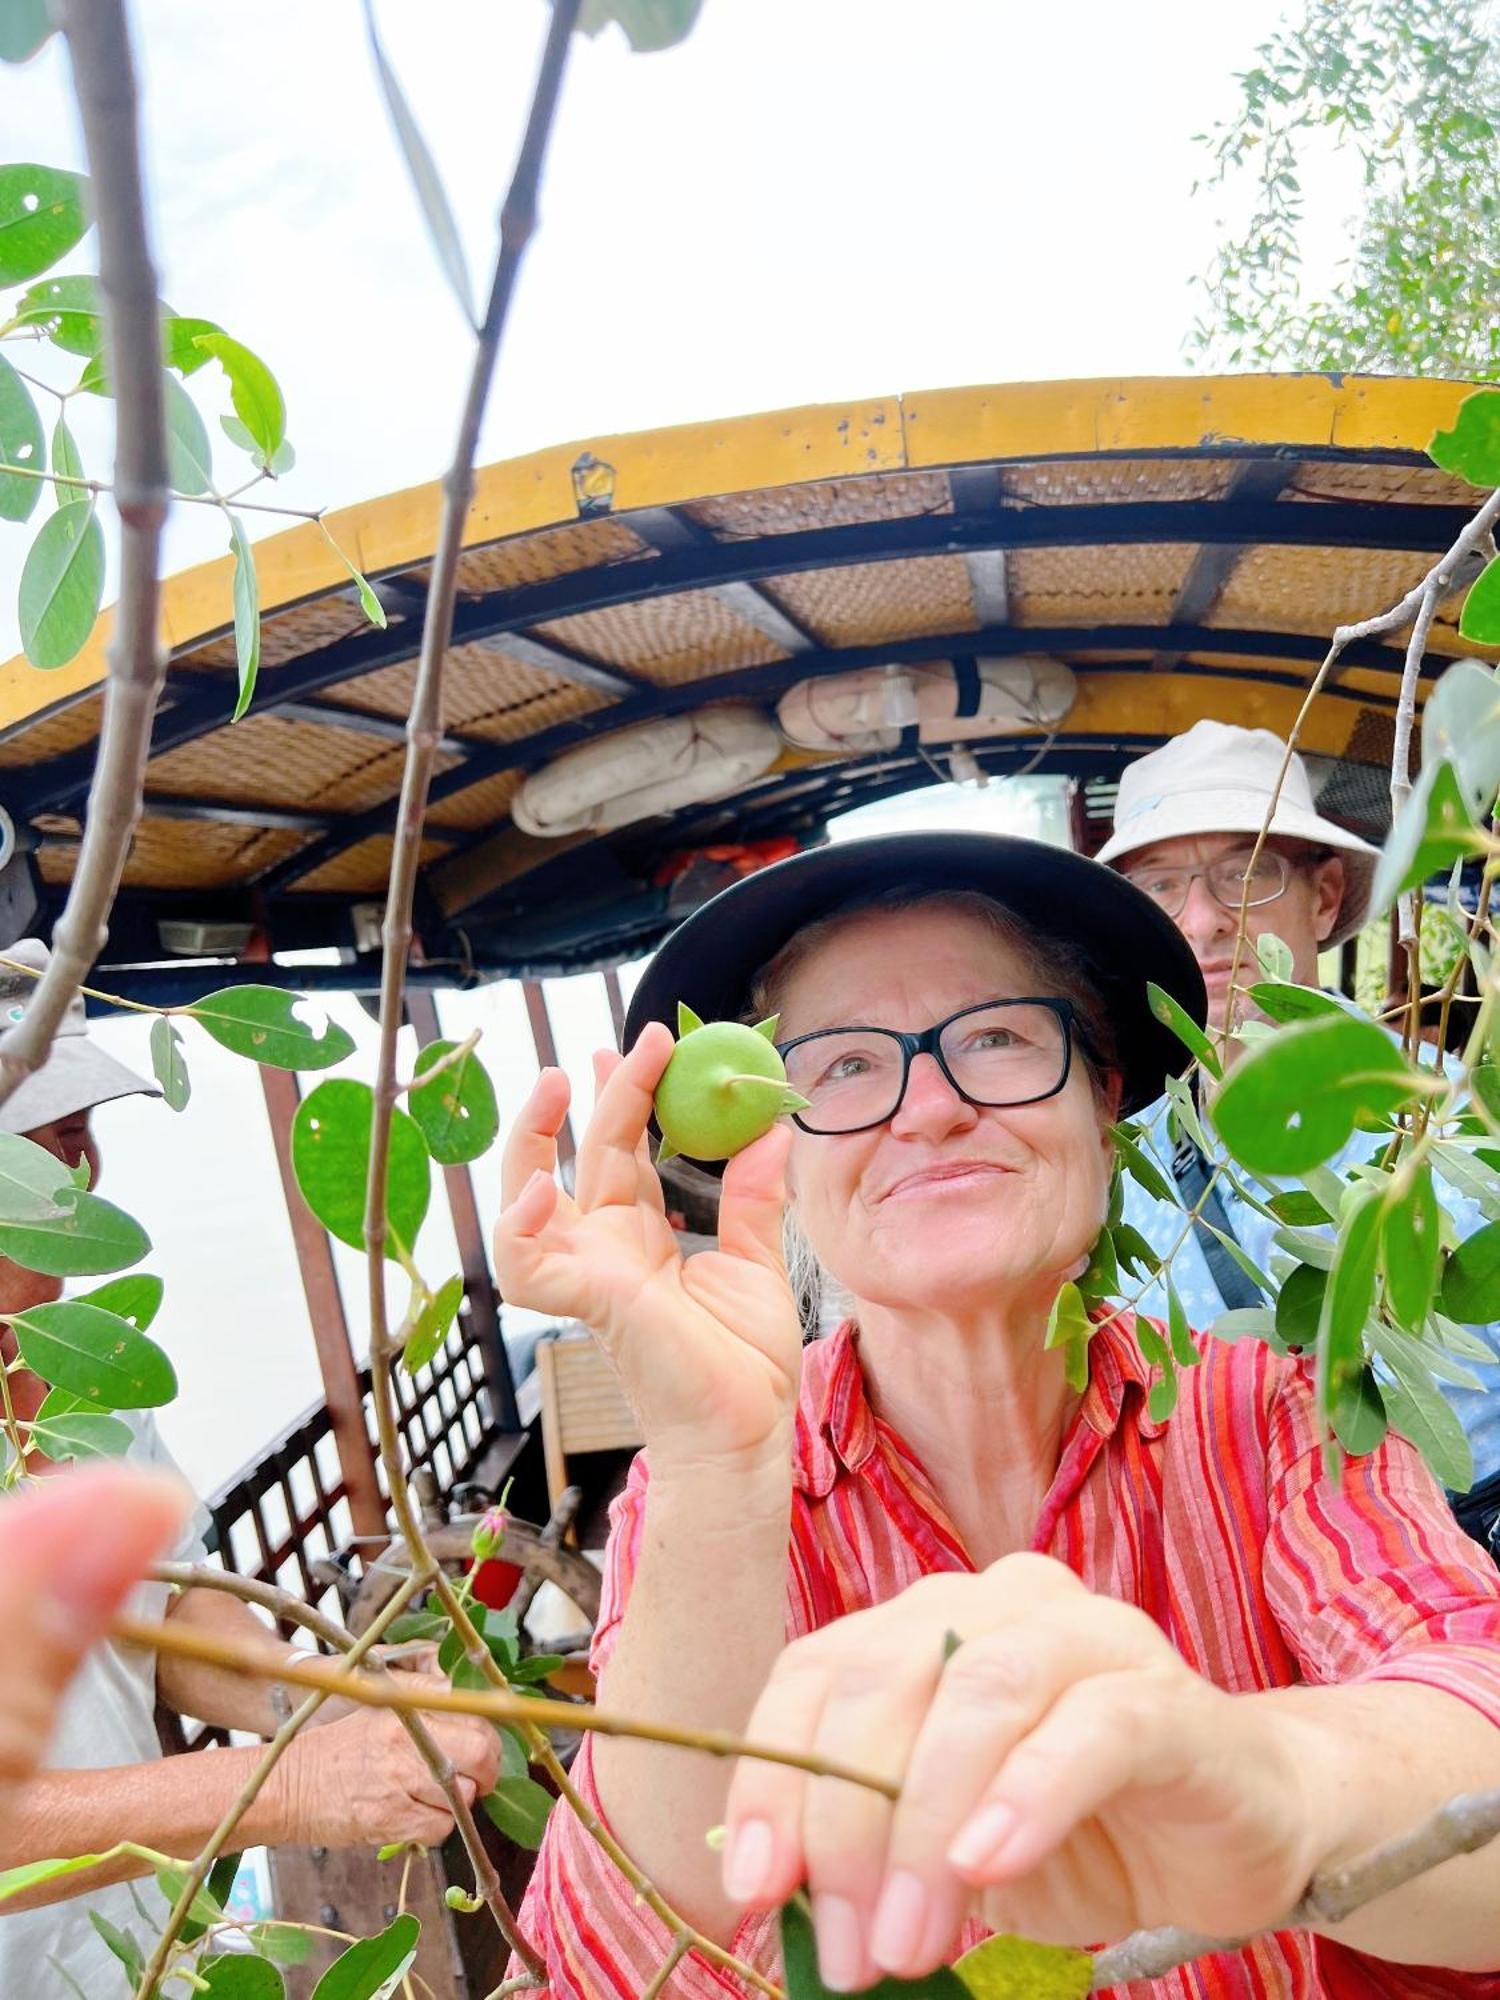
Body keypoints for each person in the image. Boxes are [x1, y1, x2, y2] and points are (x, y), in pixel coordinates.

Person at [492, 830, 1500, 1996]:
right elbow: (627, 1962)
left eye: (998, 1038)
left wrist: (1269, 1784)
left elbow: (1469, 1697)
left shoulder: (1267, 1416)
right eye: (845, 1066)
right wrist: (719, 1461)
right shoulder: (713, 1499)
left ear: (1103, 1099)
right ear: (779, 1147)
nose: (928, 1108)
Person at [0, 942, 501, 1998]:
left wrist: (322, 1700)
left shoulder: (88, 1369)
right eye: (47, 1139)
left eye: (83, 1131)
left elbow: (174, 1612)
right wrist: (287, 1788)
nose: (88, 1172)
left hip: (144, 1954)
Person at [1095, 721, 1500, 1525]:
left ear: (1323, 899)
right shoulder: (1113, 1162)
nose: (1204, 919)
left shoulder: (1462, 1121)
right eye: (1160, 886)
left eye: (1249, 875)